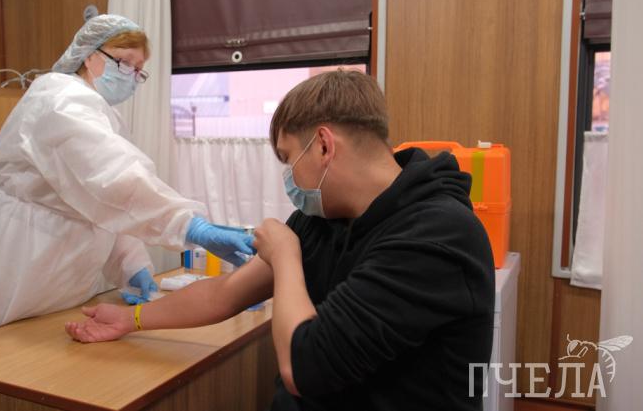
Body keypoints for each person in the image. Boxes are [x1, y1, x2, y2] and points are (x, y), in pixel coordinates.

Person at [65, 70, 495, 411]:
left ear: (324, 146)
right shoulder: (323, 218)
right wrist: (132, 319)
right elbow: (225, 293)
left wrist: (286, 255)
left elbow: (304, 368)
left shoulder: (437, 235)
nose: (288, 178)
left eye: (289, 159)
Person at [0, 15, 253, 411]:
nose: (132, 77)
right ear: (90, 56)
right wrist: (189, 225)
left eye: (139, 71)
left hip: (49, 261)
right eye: (125, 62)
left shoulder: (97, 112)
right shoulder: (58, 97)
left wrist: (131, 265)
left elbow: (100, 204)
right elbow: (112, 178)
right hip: (14, 250)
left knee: (43, 370)